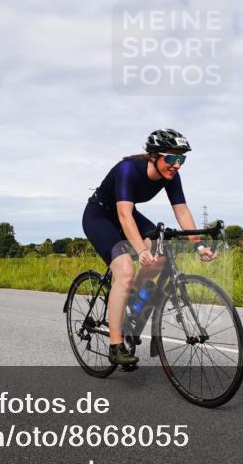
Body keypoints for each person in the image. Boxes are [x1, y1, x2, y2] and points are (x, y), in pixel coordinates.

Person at [82, 128, 215, 366]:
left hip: (127, 214)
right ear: (154, 155)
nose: (176, 165)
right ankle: (115, 346)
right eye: (171, 158)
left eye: (181, 159)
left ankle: (132, 302)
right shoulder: (128, 169)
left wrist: (199, 245)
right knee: (125, 270)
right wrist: (141, 250)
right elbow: (124, 215)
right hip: (100, 216)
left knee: (161, 255)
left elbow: (182, 211)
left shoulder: (171, 175)